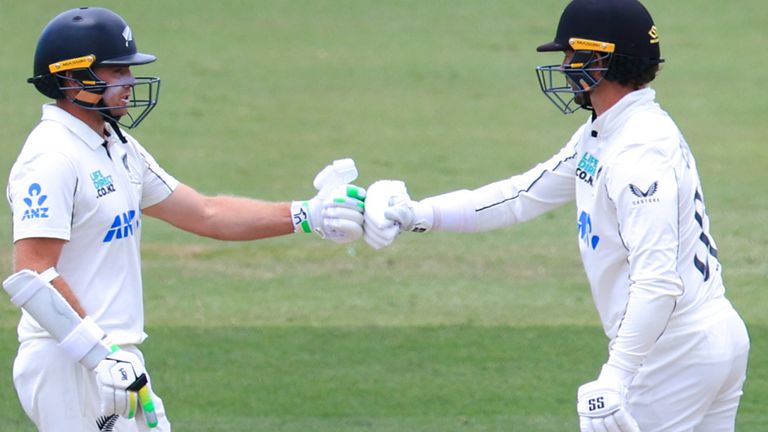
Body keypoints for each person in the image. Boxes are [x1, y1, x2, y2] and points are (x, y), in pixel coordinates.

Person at [362, 0, 750, 431]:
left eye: (571, 55)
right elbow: (519, 196)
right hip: (702, 340)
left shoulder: (638, 152)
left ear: (602, 59)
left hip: (675, 352)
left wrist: (615, 376)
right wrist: (418, 214)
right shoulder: (606, 134)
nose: (565, 67)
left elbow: (657, 280)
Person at [3, 7, 365, 432]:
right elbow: (32, 273)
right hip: (67, 361)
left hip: (114, 358)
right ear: (70, 79)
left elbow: (207, 213)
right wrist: (97, 353)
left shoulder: (116, 145)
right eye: (115, 72)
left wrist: (307, 214)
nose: (129, 83)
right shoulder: (52, 157)